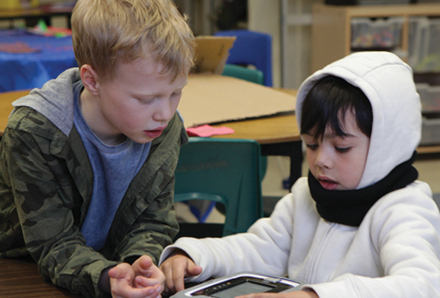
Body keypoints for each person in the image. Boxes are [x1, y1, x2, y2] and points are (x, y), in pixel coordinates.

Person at [159, 51, 440, 298]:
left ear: (386, 146)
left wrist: (314, 295)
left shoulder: (404, 210)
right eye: (312, 144)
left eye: (341, 148)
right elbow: (261, 248)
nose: (320, 161)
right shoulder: (306, 195)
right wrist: (195, 255)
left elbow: (422, 286)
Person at [0, 0, 195, 297]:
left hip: (108, 266)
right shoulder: (34, 133)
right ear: (92, 80)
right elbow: (52, 243)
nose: (165, 113)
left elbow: (153, 221)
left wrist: (138, 266)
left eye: (176, 93)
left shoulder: (162, 128)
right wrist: (106, 278)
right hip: (24, 275)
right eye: (146, 99)